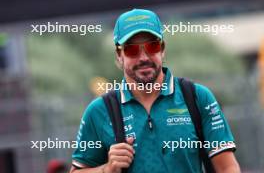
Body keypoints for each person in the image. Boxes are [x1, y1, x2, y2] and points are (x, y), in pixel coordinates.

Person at [70, 9, 240, 173]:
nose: (143, 57)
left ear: (162, 49)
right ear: (119, 55)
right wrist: (107, 169)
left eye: (152, 46)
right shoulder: (98, 111)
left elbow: (227, 168)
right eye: (132, 49)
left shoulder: (197, 97)